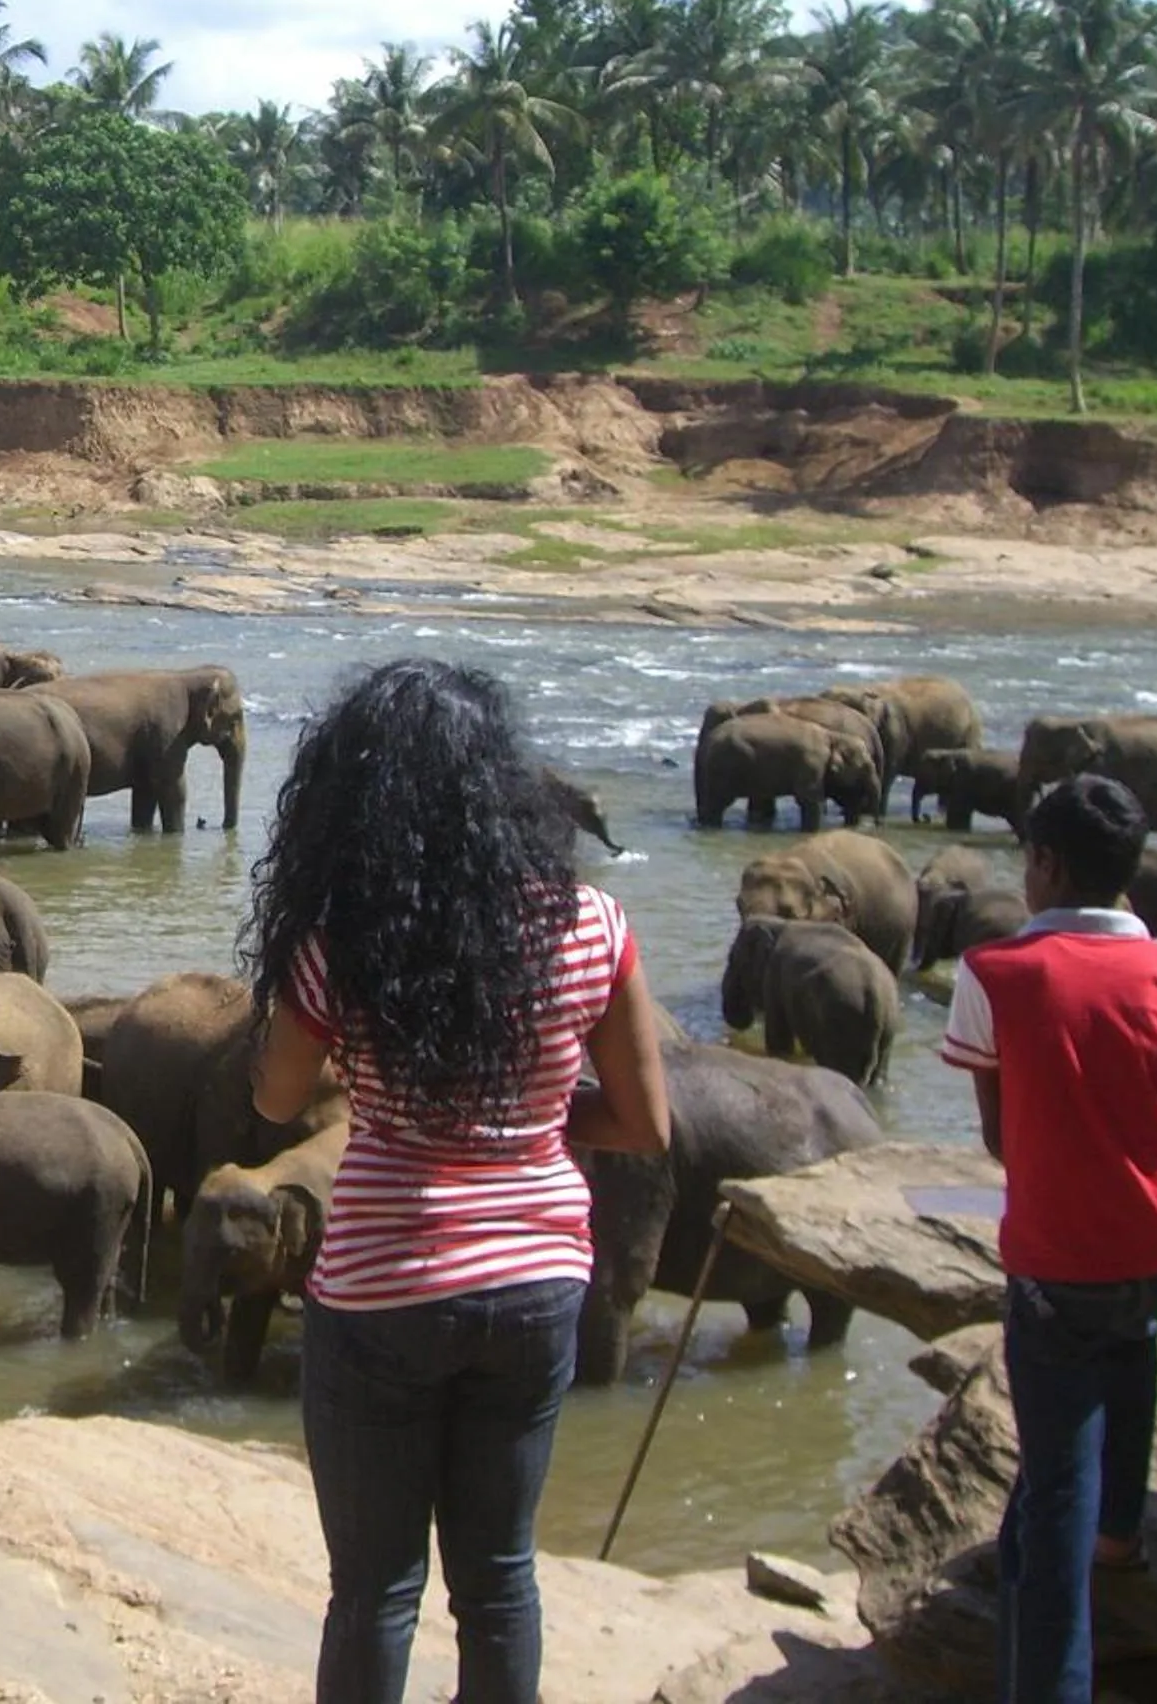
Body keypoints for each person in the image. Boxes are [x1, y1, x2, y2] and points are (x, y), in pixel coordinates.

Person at [247, 658, 669, 1704]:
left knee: (376, 1590)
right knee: (497, 1579)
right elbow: (645, 1124)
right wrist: (527, 1128)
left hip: (382, 1285)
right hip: (536, 1283)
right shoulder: (590, 927)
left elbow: (271, 1099)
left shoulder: (344, 943)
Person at [938, 772, 1157, 1704]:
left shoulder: (993, 974)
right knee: (1131, 1353)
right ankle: (1124, 1535)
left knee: (1051, 1490)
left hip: (1054, 1265)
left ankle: (1052, 1678)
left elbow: (998, 1137)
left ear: (1044, 862)